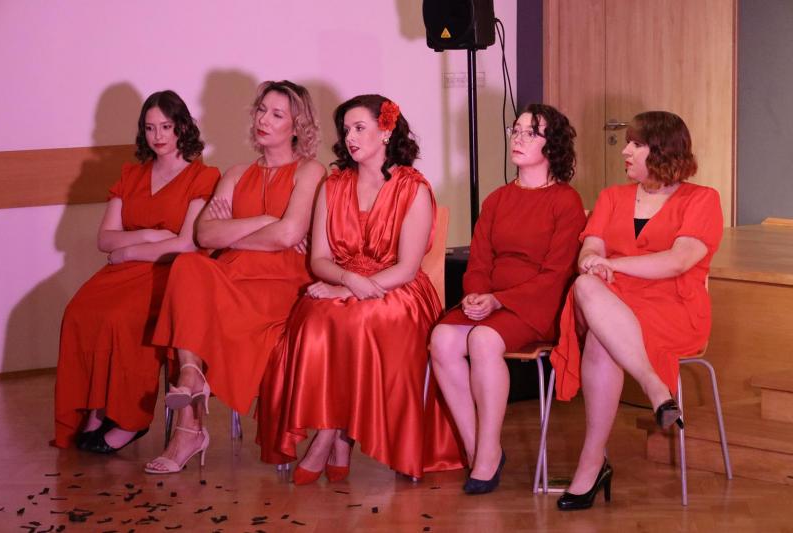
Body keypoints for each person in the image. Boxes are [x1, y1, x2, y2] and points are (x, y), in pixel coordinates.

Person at [256, 94, 464, 483]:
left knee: (360, 320)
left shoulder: (413, 189)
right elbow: (319, 260)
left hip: (397, 290)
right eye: (346, 129)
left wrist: (350, 291)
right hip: (341, 280)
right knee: (314, 319)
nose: (349, 137)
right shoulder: (332, 185)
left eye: (359, 128)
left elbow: (406, 268)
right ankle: (337, 434)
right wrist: (347, 281)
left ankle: (329, 435)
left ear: (385, 131)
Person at [144, 80, 324, 474]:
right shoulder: (237, 173)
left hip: (281, 285)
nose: (264, 119)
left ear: (296, 126)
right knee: (187, 266)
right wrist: (265, 221)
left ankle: (188, 431)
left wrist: (238, 231)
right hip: (231, 276)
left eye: (277, 114)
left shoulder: (310, 171)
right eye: (261, 110)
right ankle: (191, 380)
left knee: (195, 301)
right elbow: (204, 235)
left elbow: (289, 236)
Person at [550, 111, 723, 510]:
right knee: (585, 286)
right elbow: (590, 249)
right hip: (611, 299)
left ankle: (592, 465)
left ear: (662, 150)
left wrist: (614, 264)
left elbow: (678, 261)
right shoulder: (612, 197)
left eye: (636, 144)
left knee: (601, 335)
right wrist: (594, 262)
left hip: (673, 308)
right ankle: (654, 387)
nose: (625, 150)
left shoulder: (702, 199)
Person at [429, 104, 586, 494]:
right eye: (516, 130)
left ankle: (484, 456)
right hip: (492, 299)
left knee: (483, 340)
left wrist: (500, 301)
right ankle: (481, 449)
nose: (518, 138)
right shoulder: (498, 199)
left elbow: (556, 275)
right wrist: (475, 295)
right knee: (442, 339)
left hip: (538, 304)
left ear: (552, 144)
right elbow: (479, 261)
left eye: (531, 132)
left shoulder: (565, 201)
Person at [54, 90, 220, 452]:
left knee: (120, 317)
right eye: (149, 128)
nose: (158, 135)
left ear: (182, 127)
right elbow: (104, 238)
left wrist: (128, 249)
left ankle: (130, 419)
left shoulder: (203, 176)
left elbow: (186, 244)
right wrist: (149, 235)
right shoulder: (131, 175)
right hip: (122, 273)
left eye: (166, 126)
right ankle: (97, 410)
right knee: (79, 312)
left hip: (170, 275)